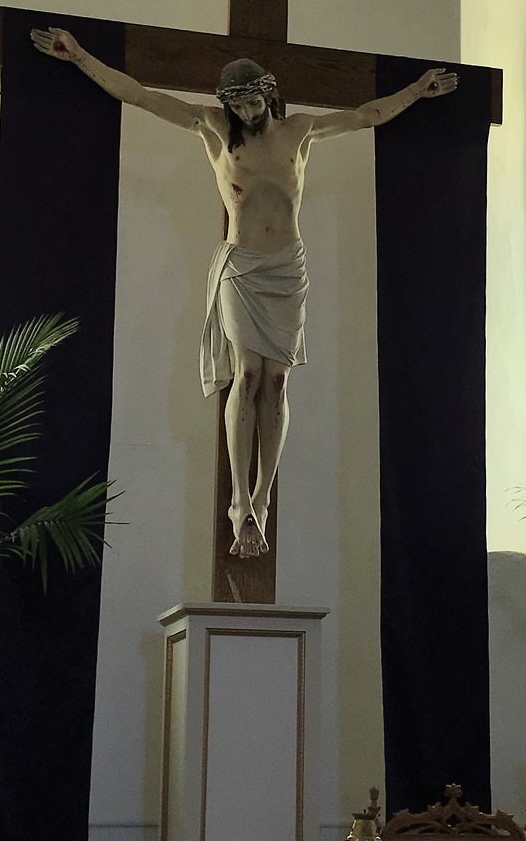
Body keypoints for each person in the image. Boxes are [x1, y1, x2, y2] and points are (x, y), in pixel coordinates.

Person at [30, 27, 458, 559]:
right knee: (248, 374)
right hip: (242, 267)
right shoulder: (212, 129)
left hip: (287, 269)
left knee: (277, 384)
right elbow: (140, 95)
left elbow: (365, 116)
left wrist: (417, 91)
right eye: (240, 103)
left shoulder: (299, 130)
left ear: (271, 95)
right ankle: (238, 498)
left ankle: (263, 496)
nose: (250, 110)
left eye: (256, 99)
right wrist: (79, 58)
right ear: (226, 105)